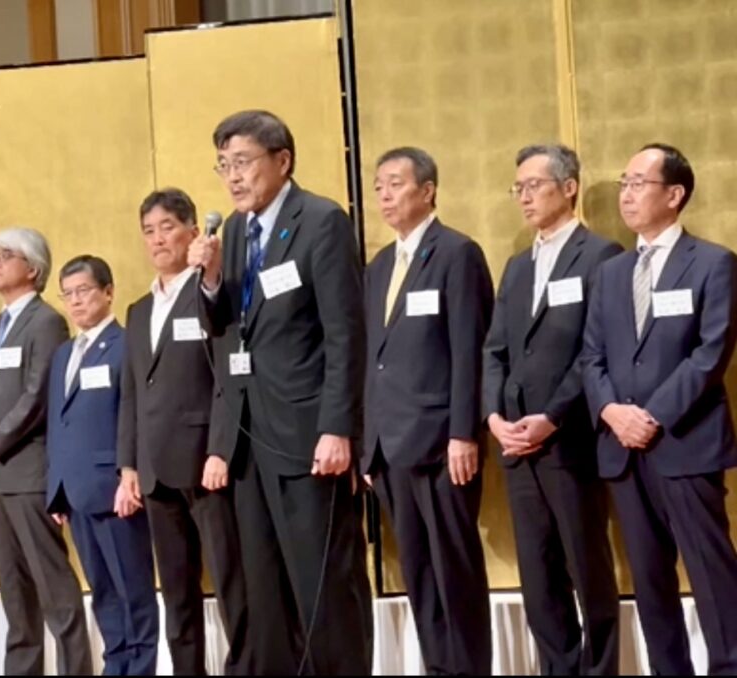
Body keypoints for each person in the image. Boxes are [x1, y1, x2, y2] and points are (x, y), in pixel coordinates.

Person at [187, 109, 372, 675]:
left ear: (282, 160)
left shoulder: (320, 221)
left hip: (307, 435)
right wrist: (213, 279)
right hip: (250, 437)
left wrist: (337, 427)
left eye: (242, 162)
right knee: (264, 589)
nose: (233, 177)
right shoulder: (237, 231)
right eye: (224, 166)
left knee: (323, 585)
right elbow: (225, 327)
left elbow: (345, 333)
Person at [582, 143, 737, 675]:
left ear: (674, 195)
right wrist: (611, 413)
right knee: (649, 583)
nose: (626, 194)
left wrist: (651, 416)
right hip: (622, 451)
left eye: (638, 183)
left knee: (713, 578)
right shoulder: (611, 272)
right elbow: (591, 356)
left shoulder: (714, 263)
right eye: (623, 182)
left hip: (685, 444)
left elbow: (709, 353)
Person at [482, 144, 621, 675]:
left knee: (588, 567)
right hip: (516, 444)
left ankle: (601, 668)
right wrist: (494, 418)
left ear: (569, 187)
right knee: (539, 575)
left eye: (534, 185)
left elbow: (595, 352)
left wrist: (553, 417)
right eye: (517, 187)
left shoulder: (601, 255)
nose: (524, 197)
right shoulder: (518, 266)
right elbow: (494, 351)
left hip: (570, 440)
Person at [361, 146, 494, 675]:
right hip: (389, 448)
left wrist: (464, 433)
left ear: (428, 190)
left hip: (442, 442)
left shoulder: (457, 253)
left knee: (454, 571)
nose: (385, 196)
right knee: (418, 573)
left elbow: (470, 349)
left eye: (395, 184)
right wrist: (367, 444)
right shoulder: (377, 267)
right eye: (378, 187)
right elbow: (371, 359)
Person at [116, 189, 249, 675]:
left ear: (194, 230)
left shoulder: (210, 292)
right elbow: (131, 394)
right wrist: (128, 464)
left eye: (167, 227)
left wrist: (219, 449)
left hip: (205, 464)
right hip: (154, 472)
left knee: (234, 583)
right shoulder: (137, 311)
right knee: (176, 592)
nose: (157, 239)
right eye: (148, 231)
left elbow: (225, 380)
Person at [0, 228, 91, 676]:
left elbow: (37, 396)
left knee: (53, 585)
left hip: (27, 470)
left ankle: (75, 669)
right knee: (14, 591)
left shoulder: (46, 321)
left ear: (32, 269)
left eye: (7, 255)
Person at [46, 255, 159, 676]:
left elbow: (133, 413)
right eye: (68, 294)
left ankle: (141, 667)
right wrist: (54, 487)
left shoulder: (126, 344)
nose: (75, 301)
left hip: (115, 489)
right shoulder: (63, 354)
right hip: (74, 492)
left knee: (134, 591)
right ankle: (116, 666)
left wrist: (128, 474)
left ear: (108, 292)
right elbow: (58, 422)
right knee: (104, 593)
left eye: (84, 291)